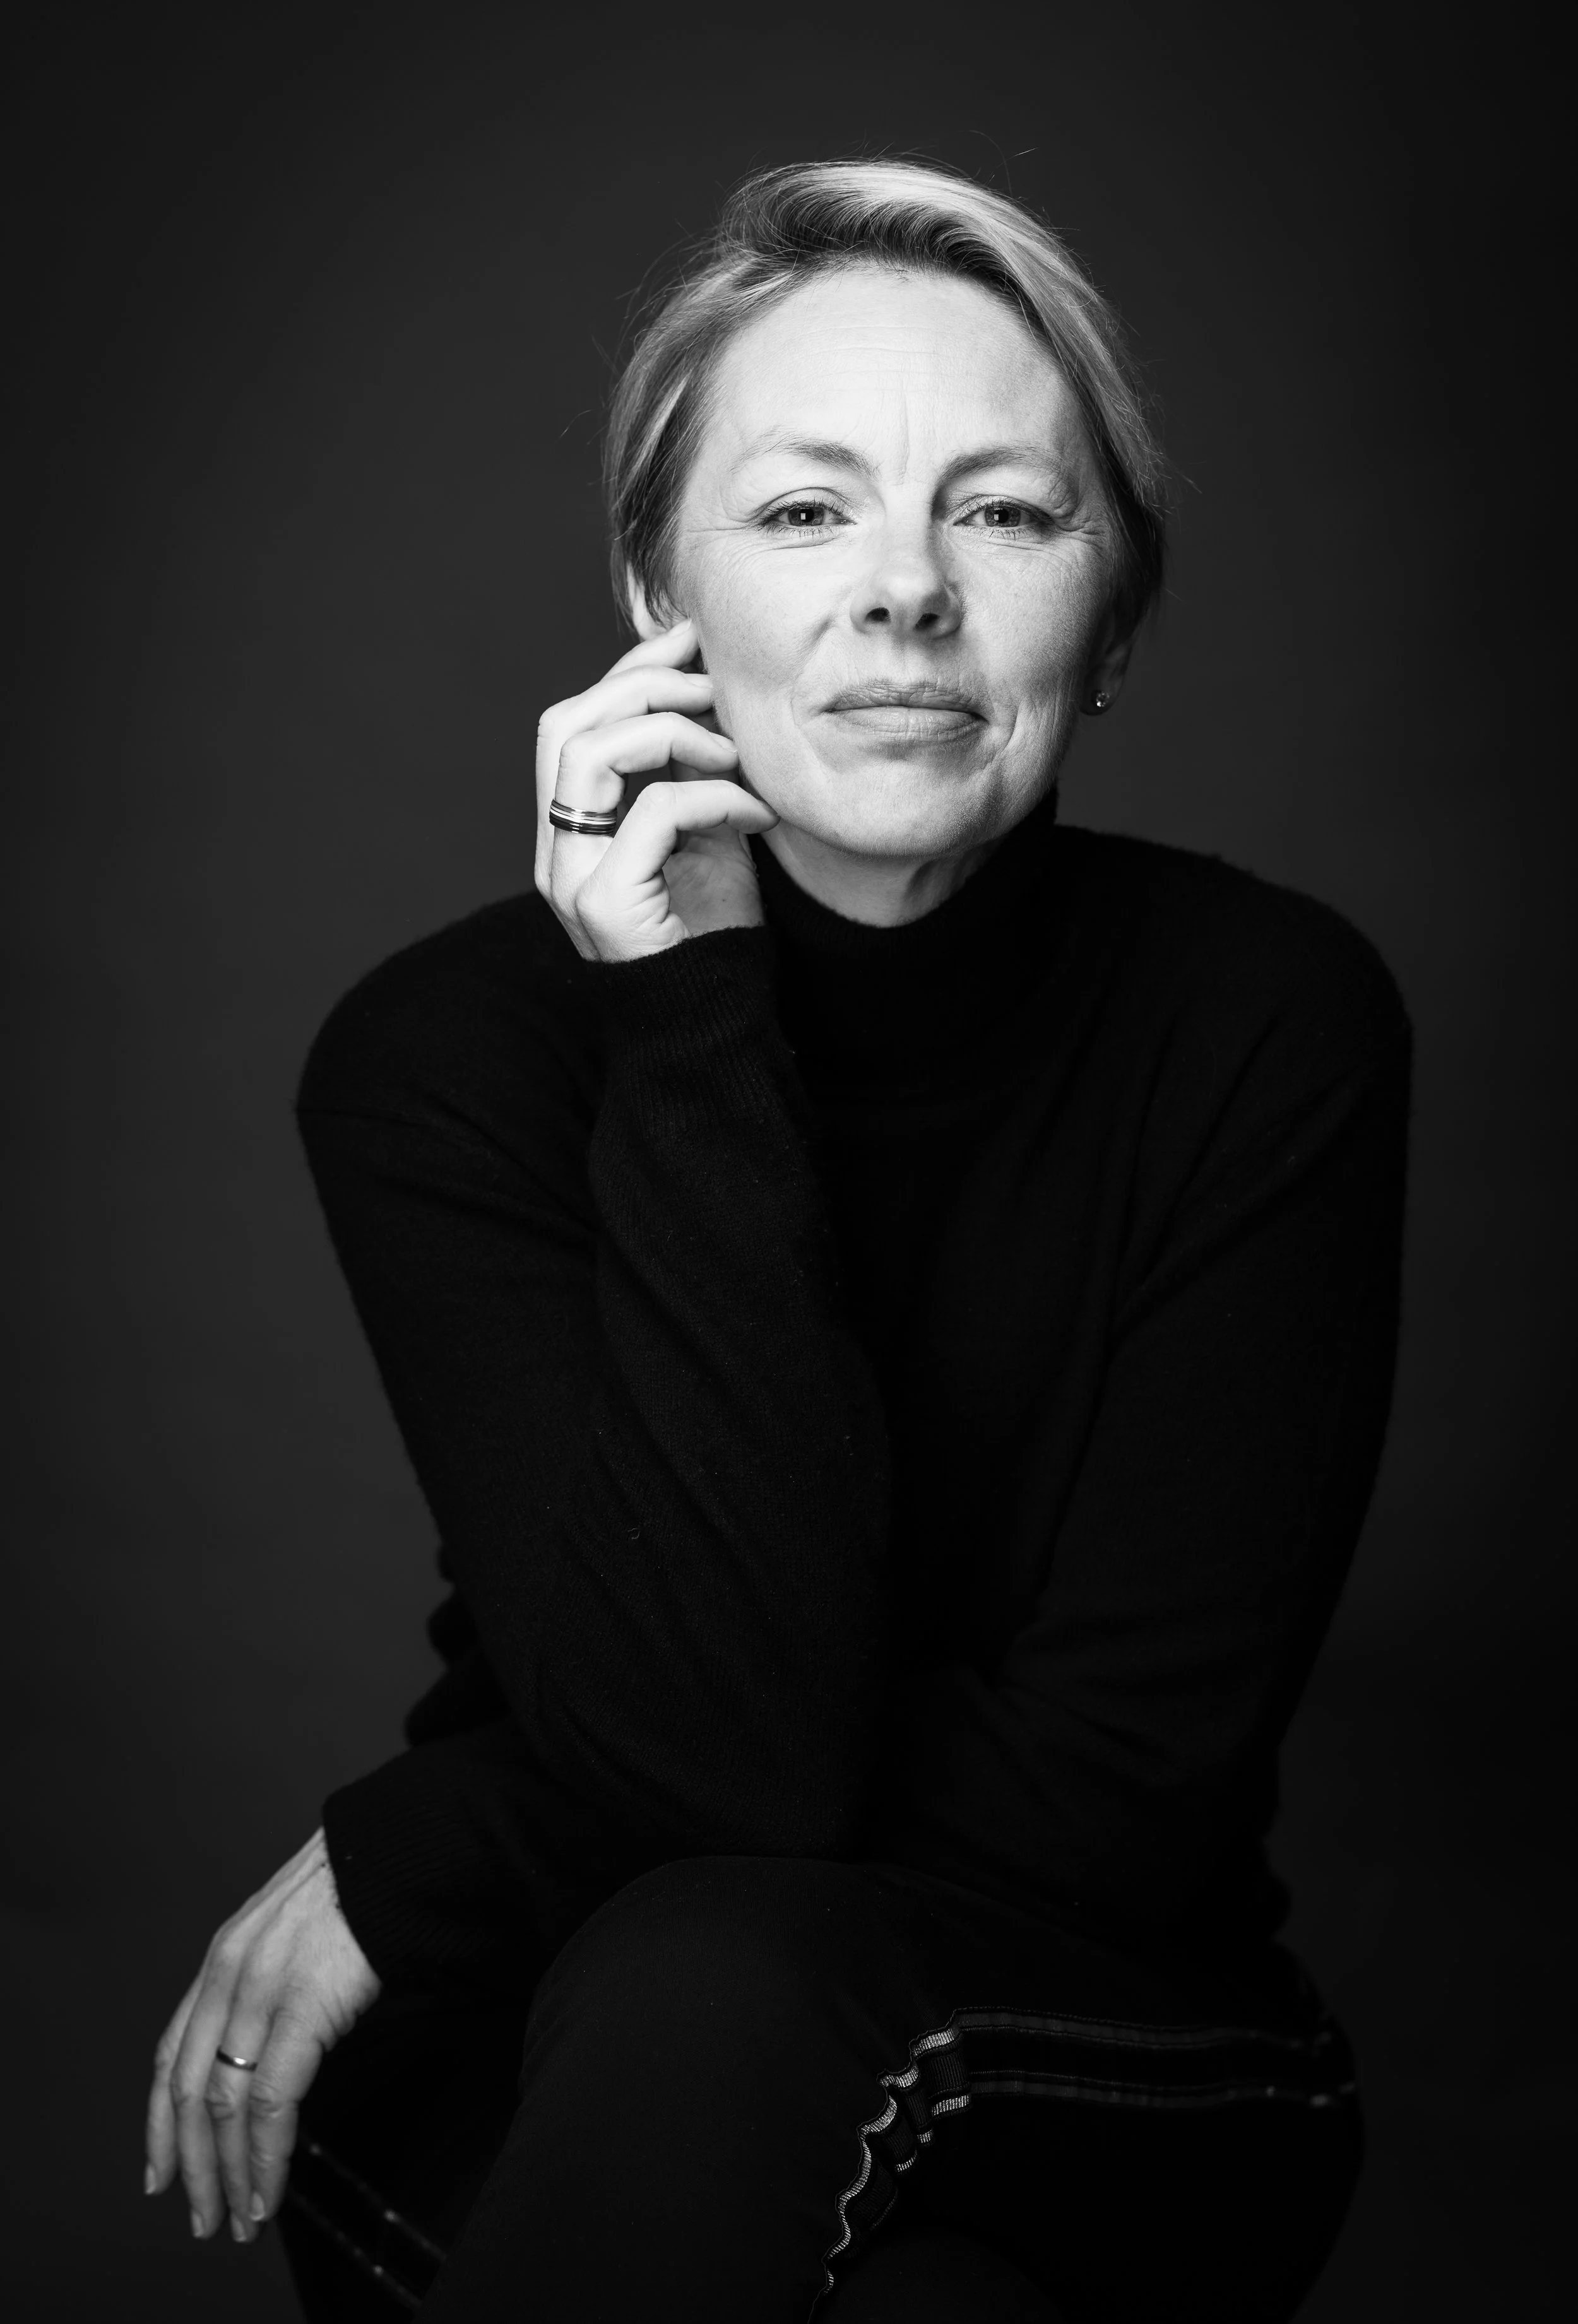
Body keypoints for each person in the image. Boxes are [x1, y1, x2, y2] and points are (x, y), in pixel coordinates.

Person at [143, 159, 1411, 2321]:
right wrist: (685, 1006)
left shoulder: (1262, 1023)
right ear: (659, 591)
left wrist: (436, 1848)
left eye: (1006, 513)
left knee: (720, 1967)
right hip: (584, 2009)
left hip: (1108, 2033)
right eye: (804, 509)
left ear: (1109, 616)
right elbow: (710, 1742)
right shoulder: (444, 1057)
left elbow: (1102, 1798)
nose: (904, 594)